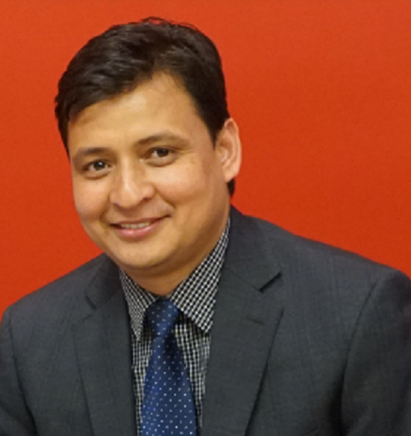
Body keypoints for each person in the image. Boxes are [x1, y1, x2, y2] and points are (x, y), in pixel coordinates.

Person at [0, 17, 410, 436]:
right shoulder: (29, 342)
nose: (127, 194)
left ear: (225, 150)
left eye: (160, 153)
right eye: (98, 165)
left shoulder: (356, 316)